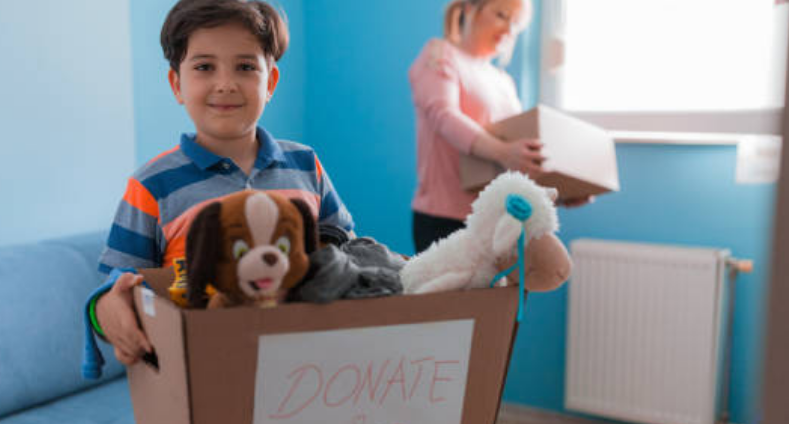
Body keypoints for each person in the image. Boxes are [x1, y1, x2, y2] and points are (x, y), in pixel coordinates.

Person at [81, 0, 354, 377]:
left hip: (308, 370)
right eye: (204, 67)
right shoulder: (151, 184)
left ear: (270, 81)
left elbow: (346, 250)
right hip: (207, 376)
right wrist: (105, 309)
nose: (225, 84)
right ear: (177, 83)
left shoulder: (305, 164)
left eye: (245, 67)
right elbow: (116, 286)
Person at [408, 0, 588, 254]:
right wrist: (503, 151)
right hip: (445, 218)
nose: (508, 30)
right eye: (502, 15)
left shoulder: (503, 82)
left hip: (500, 221)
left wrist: (562, 191)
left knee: (504, 295)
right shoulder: (439, 54)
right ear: (470, 9)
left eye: (516, 24)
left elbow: (517, 158)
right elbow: (443, 115)